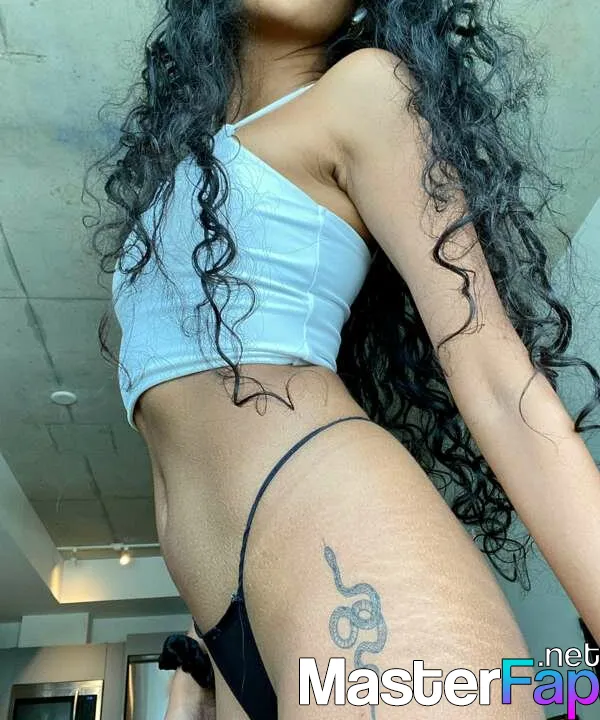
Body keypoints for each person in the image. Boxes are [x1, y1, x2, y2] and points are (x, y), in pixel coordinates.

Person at [90, 0, 600, 717]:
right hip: (230, 620)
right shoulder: (188, 170)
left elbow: (496, 381)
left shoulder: (364, 89)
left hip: (339, 544)